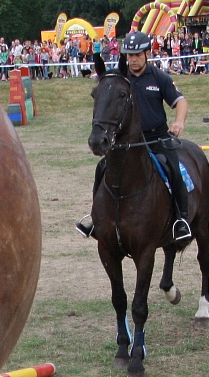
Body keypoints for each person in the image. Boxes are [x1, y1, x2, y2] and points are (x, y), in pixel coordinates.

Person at [76, 31, 192, 241]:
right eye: (129, 55)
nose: (133, 59)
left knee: (174, 170)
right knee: (101, 169)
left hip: (156, 138)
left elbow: (181, 102)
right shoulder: (120, 78)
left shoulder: (159, 77)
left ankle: (181, 220)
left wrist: (179, 121)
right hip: (126, 142)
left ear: (147, 53)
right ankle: (97, 220)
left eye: (137, 54)